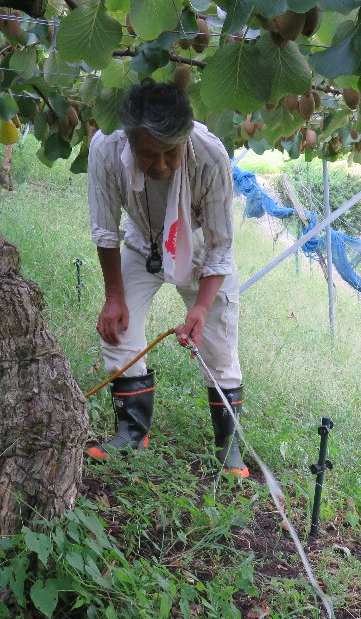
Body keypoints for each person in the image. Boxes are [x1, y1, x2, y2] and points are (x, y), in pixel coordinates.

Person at [85, 78, 248, 477]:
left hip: (199, 251)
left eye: (170, 154)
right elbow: (105, 230)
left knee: (219, 345)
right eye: (147, 155)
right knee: (118, 330)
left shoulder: (210, 156)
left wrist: (203, 307)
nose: (159, 165)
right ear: (128, 140)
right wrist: (114, 297)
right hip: (142, 244)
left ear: (187, 138)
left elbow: (220, 246)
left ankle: (228, 448)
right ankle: (132, 433)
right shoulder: (105, 149)